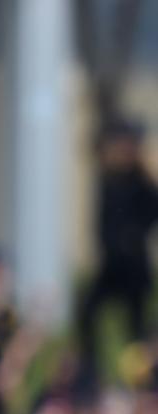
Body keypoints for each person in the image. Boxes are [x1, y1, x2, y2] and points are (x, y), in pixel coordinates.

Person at [77, 119, 158, 379]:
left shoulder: (141, 181)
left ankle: (143, 379)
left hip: (134, 268)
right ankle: (91, 369)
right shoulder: (108, 178)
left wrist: (131, 237)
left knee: (136, 330)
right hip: (112, 266)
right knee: (87, 310)